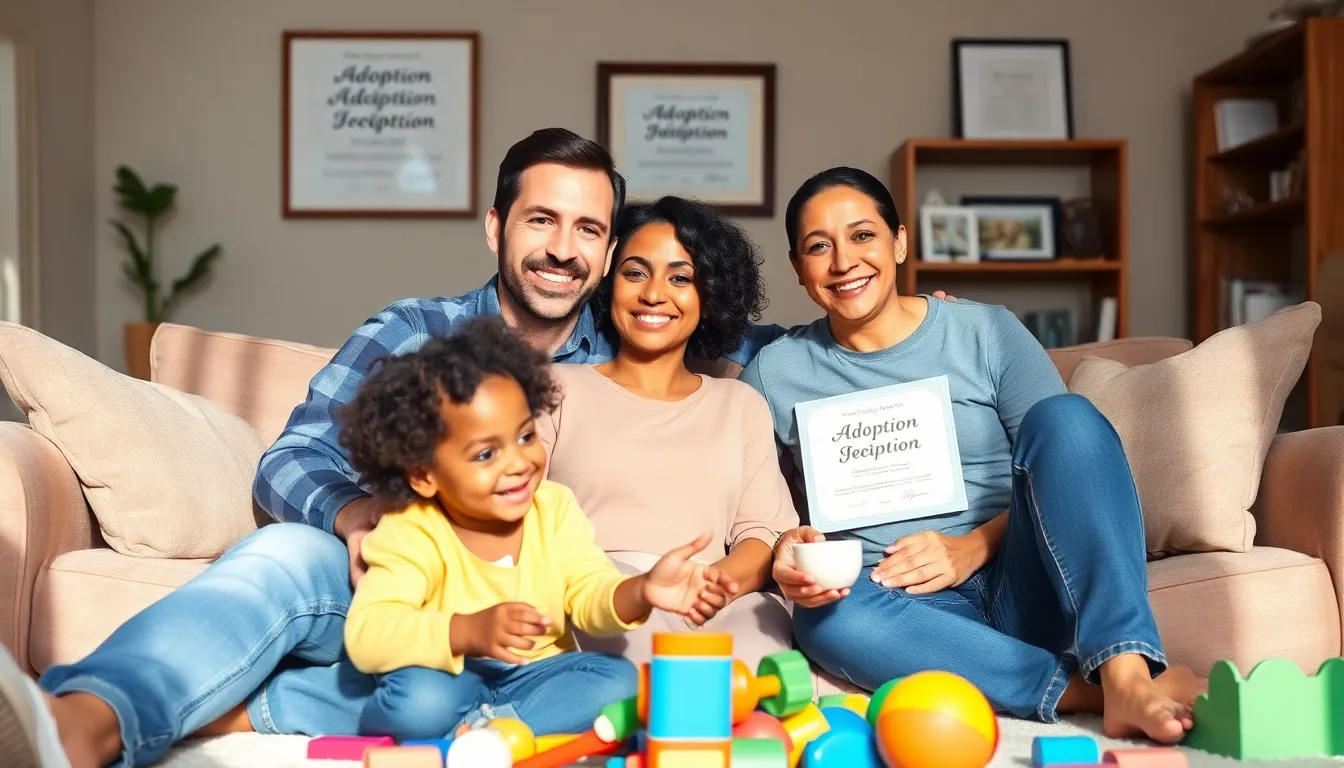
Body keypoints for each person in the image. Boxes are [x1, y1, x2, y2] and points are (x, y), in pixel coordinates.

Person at [749, 167, 1205, 745]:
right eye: (820, 246)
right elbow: (757, 505)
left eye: (863, 235)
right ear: (799, 267)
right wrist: (790, 548)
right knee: (825, 618)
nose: (844, 262)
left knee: (1067, 416)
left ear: (900, 241)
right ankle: (1085, 692)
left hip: (1023, 578)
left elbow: (1069, 466)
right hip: (899, 606)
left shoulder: (983, 331)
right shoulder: (775, 371)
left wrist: (972, 547)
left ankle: (1125, 669)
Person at [336, 317, 734, 740]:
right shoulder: (411, 530)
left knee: (620, 681)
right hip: (445, 673)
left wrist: (642, 590)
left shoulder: (554, 508)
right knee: (419, 703)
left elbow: (589, 594)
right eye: (486, 453)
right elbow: (368, 634)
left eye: (526, 436)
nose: (519, 462)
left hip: (536, 674)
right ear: (423, 475)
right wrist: (466, 630)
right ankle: (461, 726)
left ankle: (491, 733)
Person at [537, 197, 798, 668]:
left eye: (681, 278)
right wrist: (644, 590)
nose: (654, 294)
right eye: (635, 273)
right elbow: (514, 515)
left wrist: (711, 589)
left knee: (765, 640)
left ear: (710, 295)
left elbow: (763, 534)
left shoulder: (739, 403)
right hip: (601, 591)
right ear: (606, 284)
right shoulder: (554, 389)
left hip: (715, 598)